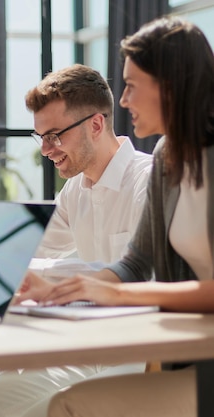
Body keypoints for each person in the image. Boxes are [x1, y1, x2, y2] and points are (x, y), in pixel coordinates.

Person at [15, 16, 214, 417]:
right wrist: (67, 287)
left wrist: (112, 293)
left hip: (200, 359)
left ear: (170, 87)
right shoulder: (167, 158)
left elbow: (131, 285)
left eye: (132, 86)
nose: (122, 100)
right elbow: (136, 263)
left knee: (67, 406)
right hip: (195, 353)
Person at [0, 64, 152, 417]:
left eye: (55, 135)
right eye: (41, 137)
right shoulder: (75, 191)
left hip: (137, 355)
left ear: (95, 125)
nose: (45, 149)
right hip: (89, 350)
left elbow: (137, 276)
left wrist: (46, 279)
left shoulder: (147, 181)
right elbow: (32, 249)